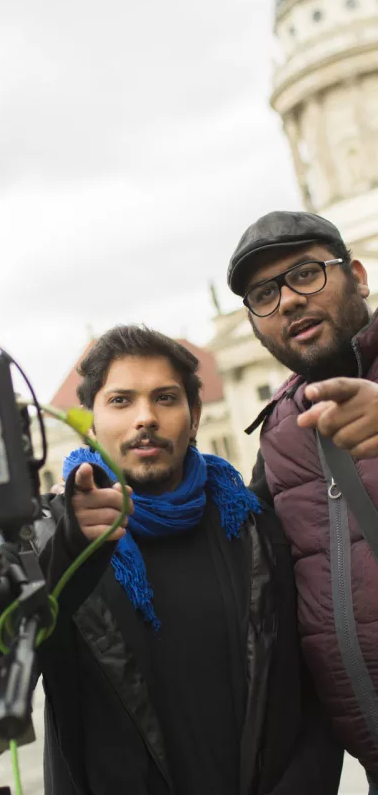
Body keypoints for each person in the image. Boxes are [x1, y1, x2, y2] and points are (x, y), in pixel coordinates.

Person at [30, 325, 341, 795]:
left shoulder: (258, 530)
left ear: (195, 417)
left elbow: (311, 692)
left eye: (165, 398)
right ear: (90, 423)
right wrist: (65, 551)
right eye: (120, 401)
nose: (145, 418)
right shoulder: (50, 540)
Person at [227, 210, 378, 791]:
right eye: (265, 294)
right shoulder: (280, 433)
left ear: (358, 276)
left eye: (307, 274)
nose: (288, 301)